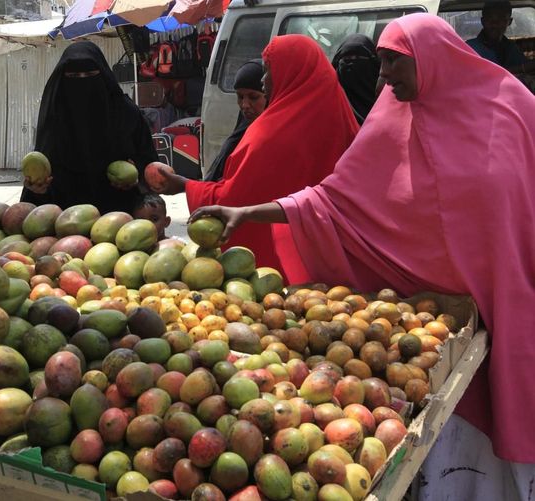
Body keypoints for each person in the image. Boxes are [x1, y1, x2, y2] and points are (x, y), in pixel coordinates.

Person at [191, 13, 535, 499]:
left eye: (394, 62)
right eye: (380, 64)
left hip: (507, 303)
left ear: (431, 58)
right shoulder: (389, 121)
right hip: (433, 330)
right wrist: (248, 212)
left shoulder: (513, 106)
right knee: (446, 454)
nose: (383, 77)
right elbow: (331, 201)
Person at [152, 35, 359, 282]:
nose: (264, 80)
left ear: (288, 72)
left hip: (283, 267)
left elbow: (237, 199)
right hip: (335, 258)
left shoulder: (271, 132)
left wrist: (186, 185)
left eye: (269, 70)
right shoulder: (343, 117)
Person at [21, 41, 157, 214]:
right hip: (63, 220)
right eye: (74, 76)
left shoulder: (125, 113)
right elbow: (42, 168)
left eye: (90, 74)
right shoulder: (55, 117)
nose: (83, 82)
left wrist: (136, 174)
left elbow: (150, 163)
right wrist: (37, 188)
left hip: (121, 220)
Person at [204, 59, 267, 182]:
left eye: (253, 97)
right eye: (240, 97)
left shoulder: (273, 137)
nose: (245, 105)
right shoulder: (239, 136)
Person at [466, 1, 534, 74]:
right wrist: (522, 68)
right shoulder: (469, 48)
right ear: (483, 21)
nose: (494, 24)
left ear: (509, 22)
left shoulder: (511, 47)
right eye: (490, 18)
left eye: (501, 19)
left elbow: (526, 68)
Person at [332, 34, 380, 124]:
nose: (351, 63)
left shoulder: (390, 101)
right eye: (346, 59)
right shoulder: (329, 105)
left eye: (358, 58)